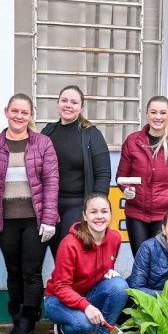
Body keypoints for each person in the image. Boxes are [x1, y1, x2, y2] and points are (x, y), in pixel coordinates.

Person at [0, 93, 60, 334]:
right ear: (6, 111)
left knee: (31, 272)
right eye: (15, 111)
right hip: (5, 221)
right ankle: (17, 318)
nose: (19, 116)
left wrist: (49, 219)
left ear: (31, 116)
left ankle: (27, 324)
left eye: (24, 112)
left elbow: (52, 182)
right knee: (13, 271)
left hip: (35, 221)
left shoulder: (43, 143)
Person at [43, 193, 127, 334]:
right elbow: (61, 287)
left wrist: (109, 274)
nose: (99, 217)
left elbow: (106, 268)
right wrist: (87, 307)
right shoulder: (69, 244)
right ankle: (63, 330)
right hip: (57, 299)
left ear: (111, 214)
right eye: (93, 212)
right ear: (84, 216)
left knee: (120, 286)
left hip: (87, 295)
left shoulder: (115, 238)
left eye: (104, 211)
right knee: (84, 325)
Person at [116, 96, 168, 256]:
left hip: (164, 215)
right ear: (146, 114)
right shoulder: (132, 141)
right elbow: (122, 177)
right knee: (141, 260)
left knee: (160, 263)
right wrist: (126, 189)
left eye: (163, 113)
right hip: (136, 213)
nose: (158, 117)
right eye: (153, 112)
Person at [41, 85, 111, 253]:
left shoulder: (91, 134)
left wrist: (95, 207)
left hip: (78, 204)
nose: (68, 105)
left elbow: (103, 174)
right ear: (57, 103)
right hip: (50, 204)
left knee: (69, 251)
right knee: (57, 254)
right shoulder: (48, 131)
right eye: (64, 101)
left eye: (74, 102)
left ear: (81, 107)